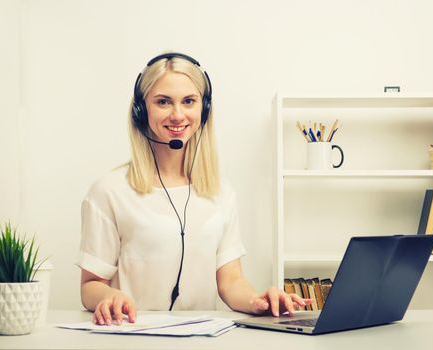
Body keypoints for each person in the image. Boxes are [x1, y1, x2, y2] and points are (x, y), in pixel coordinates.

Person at [76, 52, 310, 326]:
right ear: (141, 110)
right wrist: (109, 297)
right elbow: (90, 285)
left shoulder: (221, 192)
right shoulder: (109, 191)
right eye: (163, 102)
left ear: (204, 108)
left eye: (189, 101)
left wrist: (256, 301)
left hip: (200, 338)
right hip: (134, 336)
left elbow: (230, 280)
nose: (177, 115)